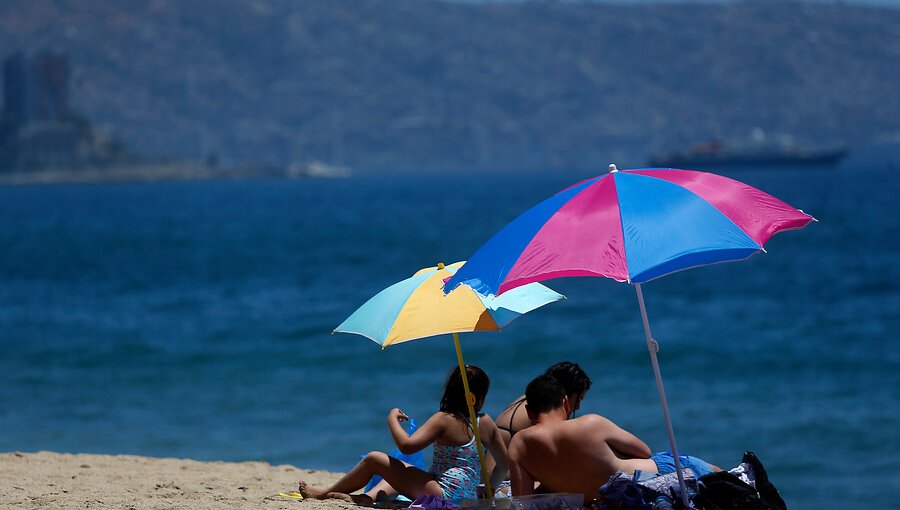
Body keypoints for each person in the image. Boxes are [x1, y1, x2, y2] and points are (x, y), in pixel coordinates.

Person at [298, 365, 508, 505]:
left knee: (374, 459)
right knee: (401, 473)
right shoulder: (485, 421)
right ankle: (366, 498)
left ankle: (323, 494)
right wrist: (488, 488)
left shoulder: (444, 419)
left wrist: (391, 418)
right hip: (467, 497)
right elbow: (504, 464)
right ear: (477, 399)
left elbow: (407, 446)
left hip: (444, 496)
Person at [508, 375, 720, 504]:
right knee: (722, 477)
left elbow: (524, 502)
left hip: (606, 497)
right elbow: (644, 451)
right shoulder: (589, 423)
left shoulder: (519, 444)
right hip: (652, 476)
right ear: (565, 402)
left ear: (528, 411)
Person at [495, 361, 592, 447]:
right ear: (565, 395)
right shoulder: (544, 411)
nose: (578, 407)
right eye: (578, 400)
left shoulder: (532, 398)